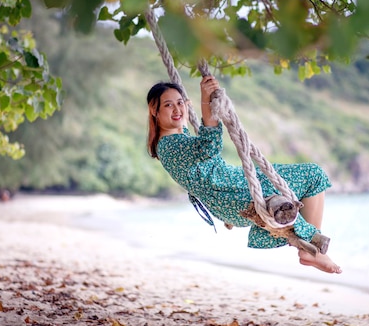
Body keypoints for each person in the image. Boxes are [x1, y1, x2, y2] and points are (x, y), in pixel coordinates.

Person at [146, 76, 341, 274]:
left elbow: (186, 129)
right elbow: (210, 145)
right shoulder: (171, 145)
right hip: (234, 192)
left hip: (228, 194)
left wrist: (187, 110)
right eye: (168, 105)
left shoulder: (171, 141)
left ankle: (310, 246)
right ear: (155, 111)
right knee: (314, 174)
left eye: (180, 103)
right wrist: (206, 100)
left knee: (306, 177)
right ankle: (313, 248)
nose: (177, 109)